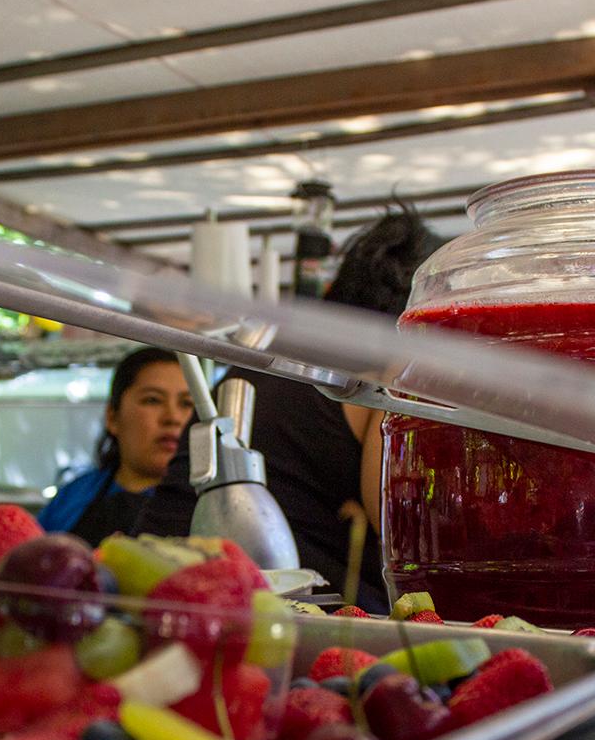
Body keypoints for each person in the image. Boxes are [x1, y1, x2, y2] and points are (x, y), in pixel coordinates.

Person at [135, 207, 442, 612]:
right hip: (272, 606)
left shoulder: (275, 359)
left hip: (153, 579)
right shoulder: (400, 362)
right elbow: (401, 521)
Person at [39, 346, 193, 546]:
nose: (173, 417)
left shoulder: (208, 506)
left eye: (187, 403)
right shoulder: (75, 495)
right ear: (112, 418)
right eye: (152, 400)